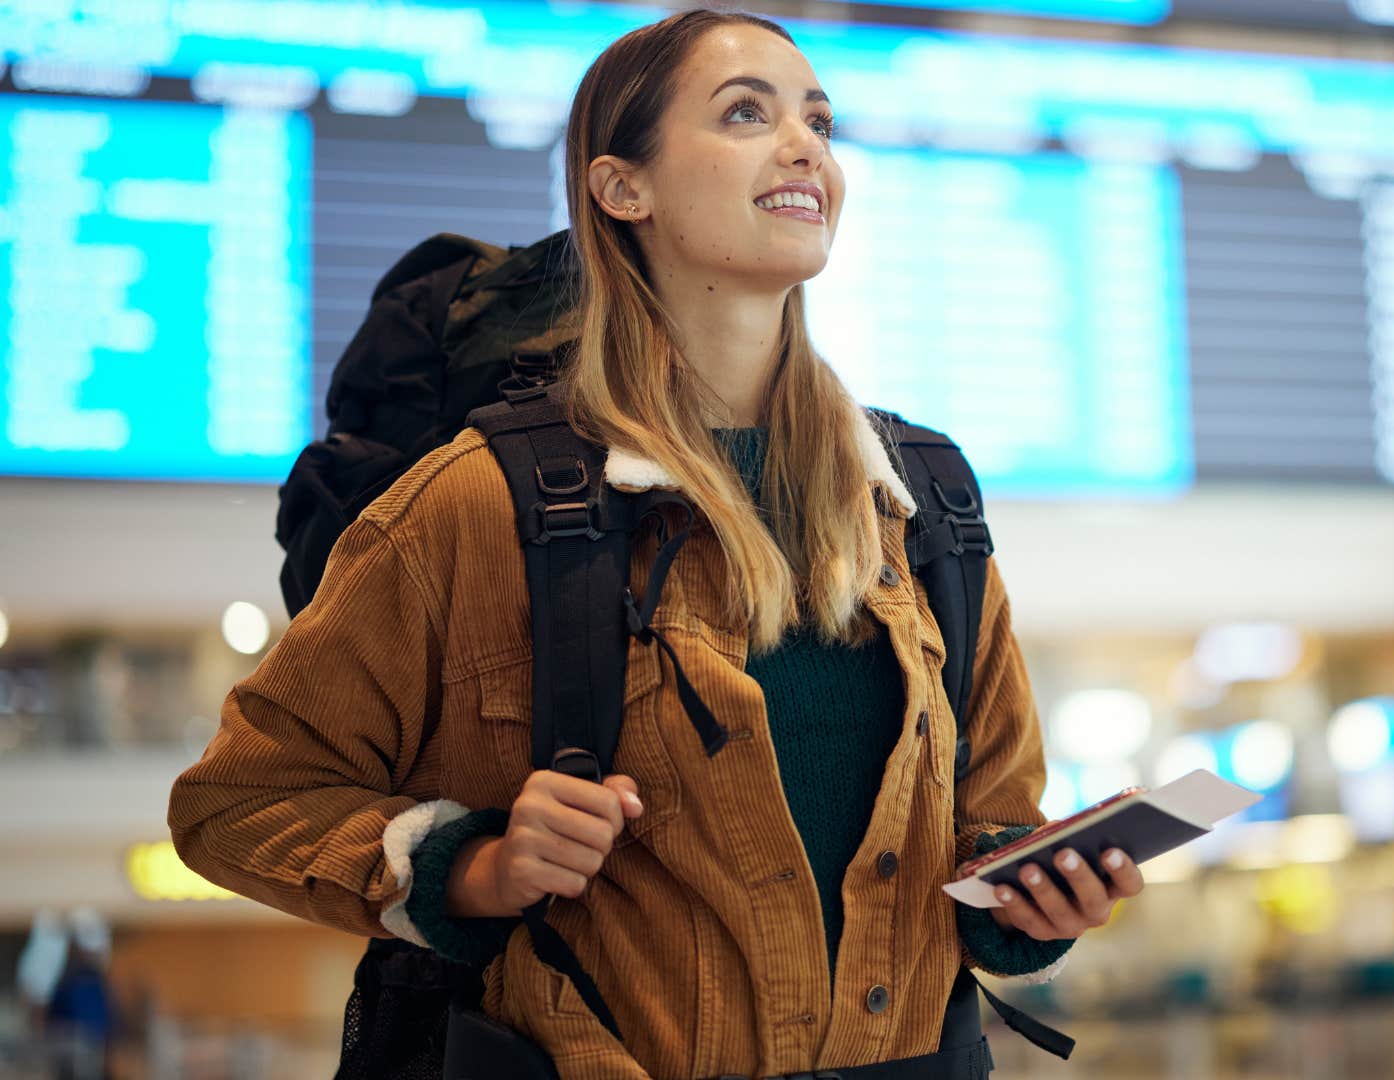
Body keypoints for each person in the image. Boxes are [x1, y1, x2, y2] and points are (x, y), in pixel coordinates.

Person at [167, 8, 1145, 1078]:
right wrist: (473, 868)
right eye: (745, 114)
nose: (805, 146)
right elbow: (239, 802)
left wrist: (1034, 902)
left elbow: (992, 826)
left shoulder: (921, 504)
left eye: (818, 120)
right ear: (620, 188)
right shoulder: (479, 504)